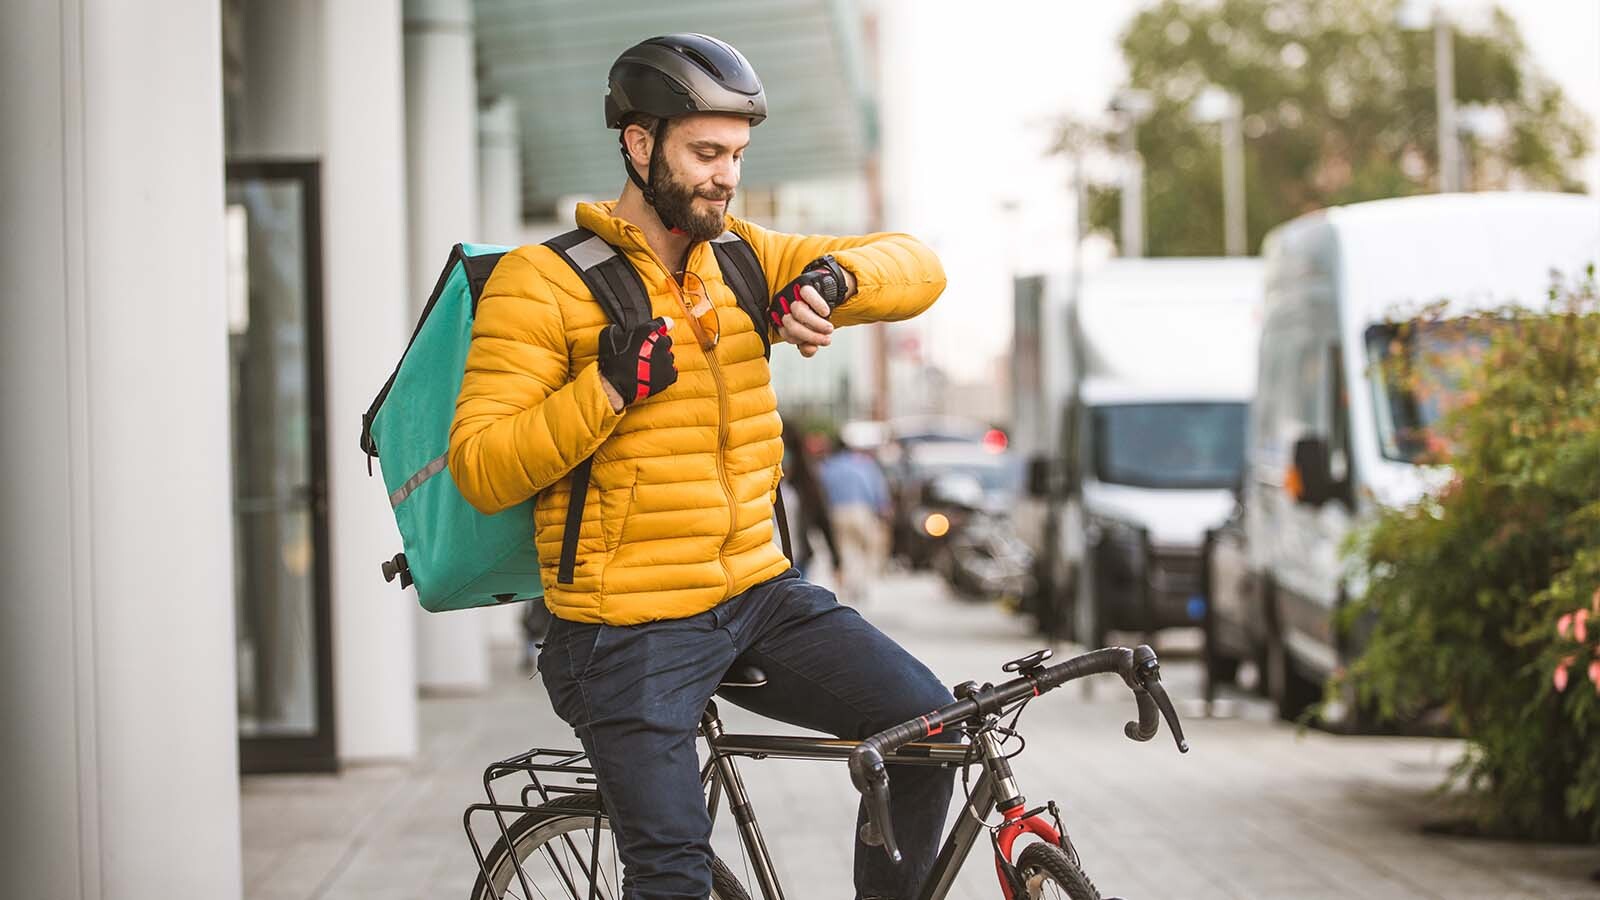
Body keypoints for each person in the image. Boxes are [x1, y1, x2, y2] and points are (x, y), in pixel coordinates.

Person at [448, 33, 954, 900]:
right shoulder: (543, 285)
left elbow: (919, 265)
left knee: (927, 731)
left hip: (756, 595)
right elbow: (482, 468)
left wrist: (833, 282)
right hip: (625, 625)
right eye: (706, 152)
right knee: (672, 874)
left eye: (738, 155)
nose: (726, 174)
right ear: (639, 145)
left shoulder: (742, 260)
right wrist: (604, 390)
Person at [819, 434, 892, 605]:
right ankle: (861, 584)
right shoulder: (863, 464)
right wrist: (882, 507)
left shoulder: (828, 467)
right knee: (868, 548)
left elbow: (822, 492)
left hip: (836, 512)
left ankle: (849, 585)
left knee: (846, 549)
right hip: (861, 510)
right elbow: (875, 488)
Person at [780, 416, 841, 581]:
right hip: (764, 567)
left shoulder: (804, 485)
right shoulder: (754, 483)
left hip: (798, 562)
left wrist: (836, 561)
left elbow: (823, 520)